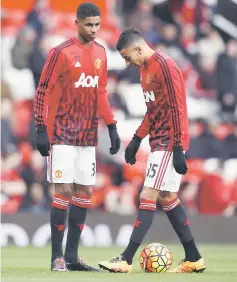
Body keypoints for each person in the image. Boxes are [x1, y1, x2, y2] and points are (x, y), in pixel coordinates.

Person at [98, 28, 206, 274]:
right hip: (159, 139)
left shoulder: (165, 66)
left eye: (127, 57)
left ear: (139, 48)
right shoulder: (145, 70)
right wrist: (137, 138)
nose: (127, 63)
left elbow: (177, 107)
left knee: (148, 195)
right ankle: (194, 258)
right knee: (167, 197)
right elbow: (154, 110)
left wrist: (178, 147)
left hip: (170, 140)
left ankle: (125, 259)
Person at [34, 3, 121, 272]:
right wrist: (40, 128)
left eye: (97, 24)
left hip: (87, 134)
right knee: (64, 191)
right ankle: (56, 257)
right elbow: (42, 91)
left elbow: (101, 92)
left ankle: (72, 257)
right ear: (77, 23)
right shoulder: (60, 52)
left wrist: (112, 125)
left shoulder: (100, 53)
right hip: (61, 132)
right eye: (89, 24)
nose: (94, 29)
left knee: (84, 192)